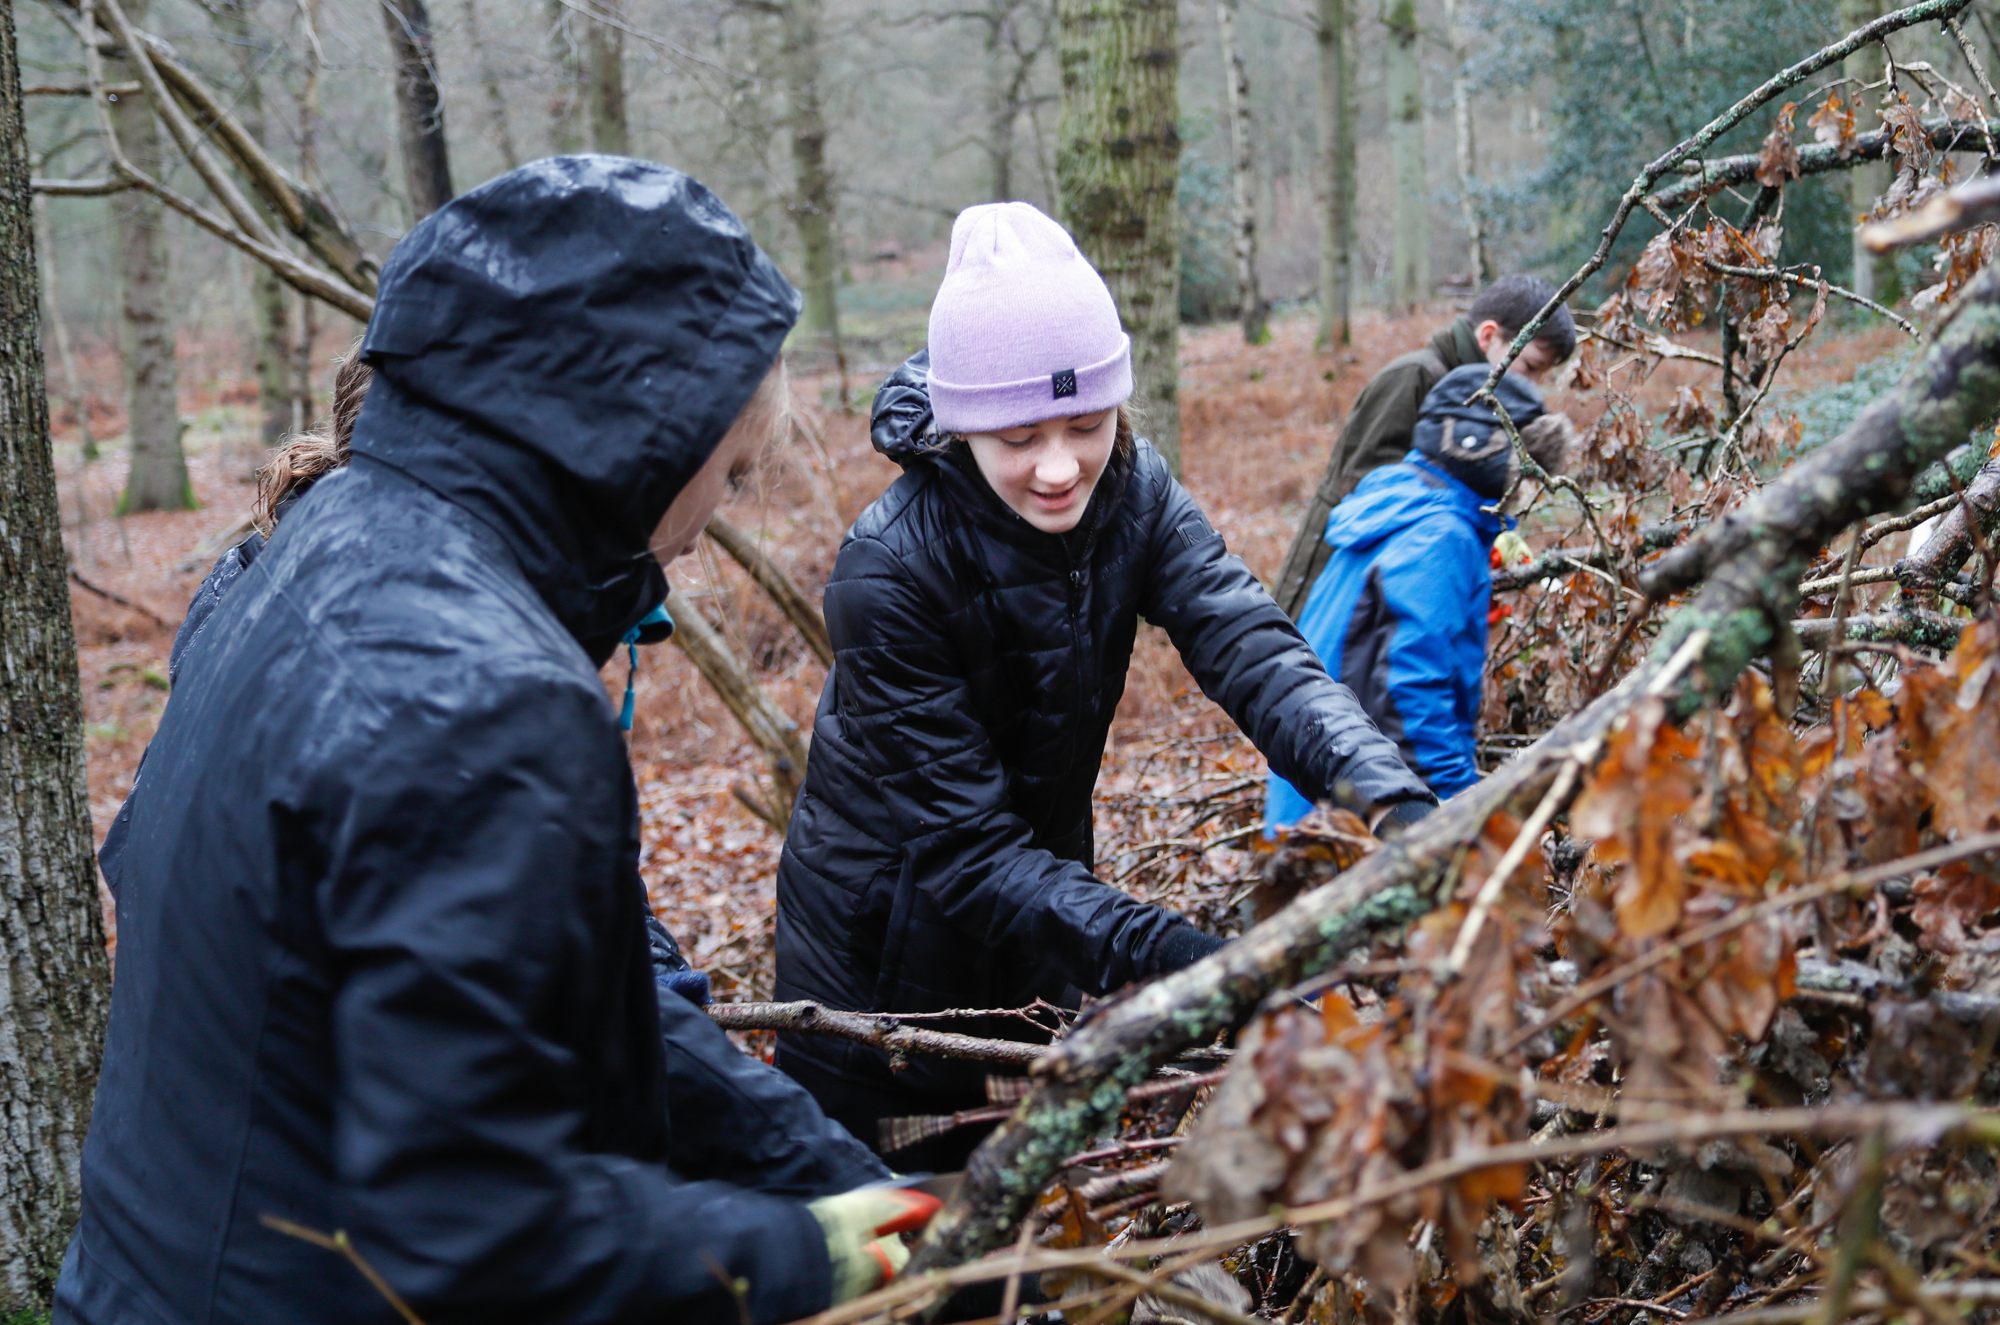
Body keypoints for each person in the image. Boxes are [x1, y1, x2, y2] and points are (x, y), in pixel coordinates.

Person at [59, 158, 932, 1325]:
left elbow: (579, 988)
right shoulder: (477, 697)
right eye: (722, 472)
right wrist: (799, 1253)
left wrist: (833, 1175)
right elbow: (475, 1227)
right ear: (642, 440)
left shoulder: (301, 557)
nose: (706, 522)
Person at [771, 202, 1436, 1171]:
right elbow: (970, 859)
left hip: (1035, 953)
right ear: (960, 429)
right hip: (879, 990)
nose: (1056, 466)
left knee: (1021, 1216)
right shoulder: (888, 569)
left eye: (1085, 422)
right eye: (1015, 437)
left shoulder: (1134, 489)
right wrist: (1205, 969)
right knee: (904, 1245)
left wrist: (1389, 796)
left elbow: (1250, 644)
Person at [1264, 363, 1575, 828]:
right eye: (1528, 473)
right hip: (1357, 816)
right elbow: (1410, 692)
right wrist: (1457, 805)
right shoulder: (1440, 536)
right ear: (1497, 460)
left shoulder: (1404, 502)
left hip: (1325, 790)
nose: (1528, 494)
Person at [1271, 275, 1578, 617]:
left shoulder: (1482, 406)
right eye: (1530, 367)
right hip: (1332, 590)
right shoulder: (1414, 378)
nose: (1533, 386)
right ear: (1488, 336)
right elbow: (1366, 494)